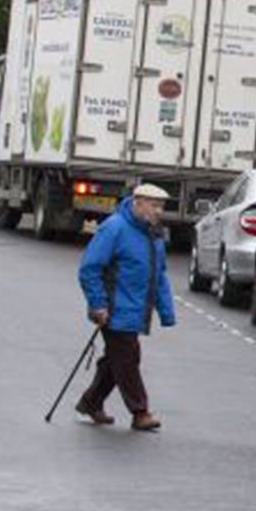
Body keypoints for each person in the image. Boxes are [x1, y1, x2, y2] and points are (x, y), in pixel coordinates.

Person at [75, 182, 177, 431]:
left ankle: (90, 403)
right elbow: (90, 268)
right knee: (128, 358)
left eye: (161, 206)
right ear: (137, 203)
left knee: (116, 360)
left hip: (135, 310)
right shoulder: (115, 228)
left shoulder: (154, 235)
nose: (158, 211)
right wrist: (98, 305)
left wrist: (166, 311)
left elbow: (159, 275)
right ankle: (140, 412)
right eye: (153, 205)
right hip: (113, 308)